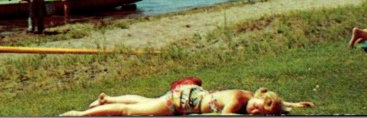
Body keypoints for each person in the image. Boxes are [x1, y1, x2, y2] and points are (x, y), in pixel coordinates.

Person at [62, 83, 314, 116]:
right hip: (182, 101)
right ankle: (80, 115)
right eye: (258, 110)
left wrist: (290, 106)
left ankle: (107, 98)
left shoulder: (251, 96)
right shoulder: (239, 102)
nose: (257, 112)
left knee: (147, 100)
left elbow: (270, 101)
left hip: (189, 94)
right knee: (130, 112)